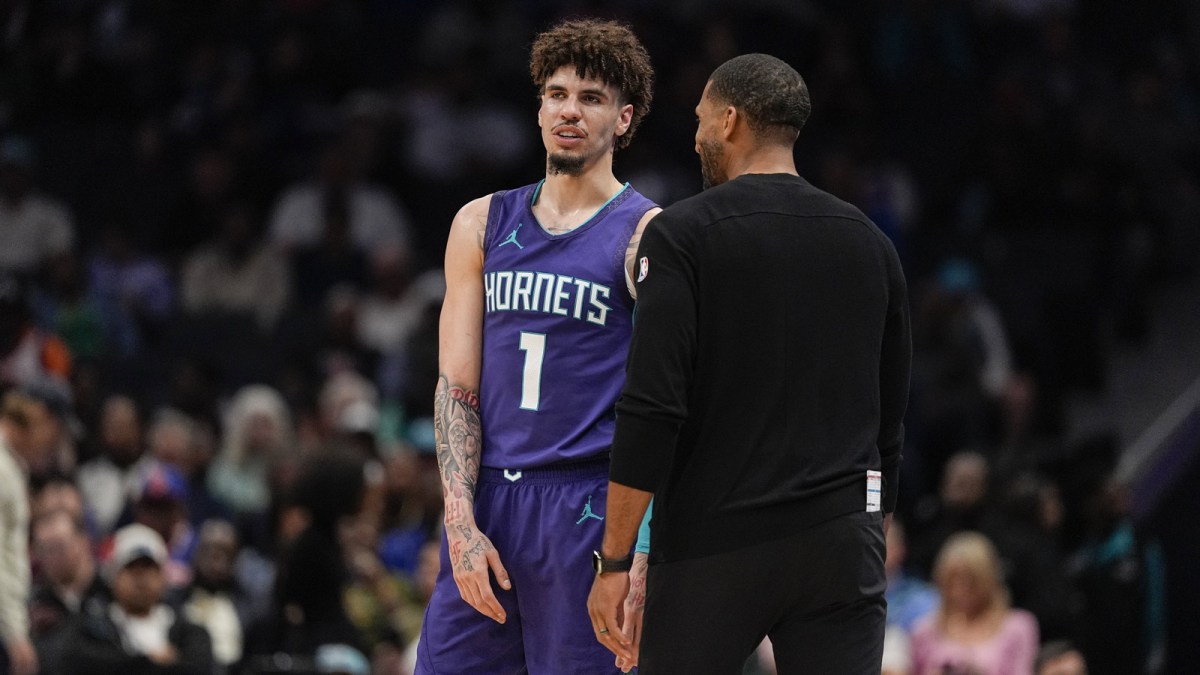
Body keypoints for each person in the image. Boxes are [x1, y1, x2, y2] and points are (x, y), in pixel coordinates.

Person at [587, 53, 912, 674]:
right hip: (843, 541)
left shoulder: (682, 235)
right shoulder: (872, 243)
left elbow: (652, 408)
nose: (696, 134)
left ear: (730, 120)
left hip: (718, 543)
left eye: (702, 117)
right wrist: (868, 531)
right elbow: (890, 419)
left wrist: (617, 561)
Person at [417, 18, 659, 675]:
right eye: (556, 94)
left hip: (588, 509)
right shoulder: (479, 222)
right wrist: (460, 526)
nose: (569, 110)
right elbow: (456, 388)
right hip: (492, 500)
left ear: (624, 118)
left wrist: (641, 549)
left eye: (591, 97)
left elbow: (672, 401)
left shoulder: (648, 236)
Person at [57, 523, 213, 675]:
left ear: (163, 578)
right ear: (113, 577)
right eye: (131, 569)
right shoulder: (91, 629)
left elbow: (199, 667)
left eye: (149, 569)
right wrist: (156, 662)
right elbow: (87, 664)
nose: (141, 579)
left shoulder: (190, 632)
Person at [910, 531, 1039, 675]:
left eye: (969, 581)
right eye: (951, 581)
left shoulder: (1018, 627)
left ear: (988, 580)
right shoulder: (924, 631)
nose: (959, 590)